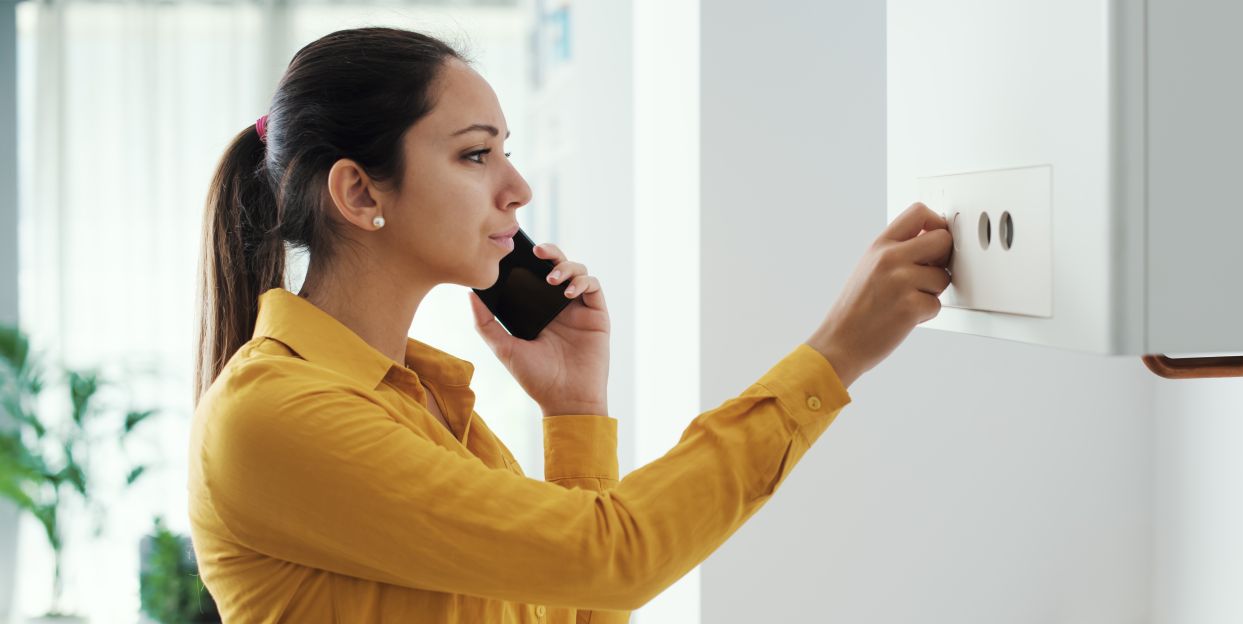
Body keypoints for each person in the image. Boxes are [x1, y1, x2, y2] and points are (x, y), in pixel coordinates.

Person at [189, 26, 953, 624]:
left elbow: (583, 595)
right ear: (358, 193)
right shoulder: (275, 414)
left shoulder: (428, 407)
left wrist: (575, 410)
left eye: (506, 154)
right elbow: (614, 556)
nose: (517, 188)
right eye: (476, 155)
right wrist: (834, 355)